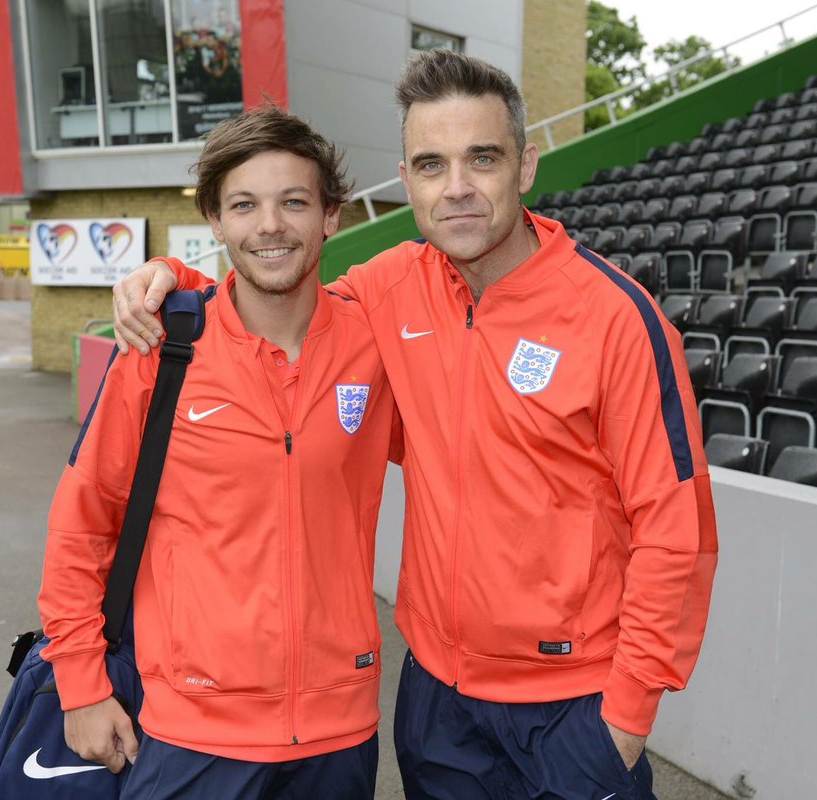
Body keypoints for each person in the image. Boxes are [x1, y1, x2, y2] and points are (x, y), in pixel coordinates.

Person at [113, 49, 718, 800]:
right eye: (432, 165)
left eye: (482, 159)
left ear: (525, 166)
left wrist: (626, 715)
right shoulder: (391, 286)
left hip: (574, 707)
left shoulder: (615, 318)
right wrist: (174, 281)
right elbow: (277, 289)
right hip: (437, 699)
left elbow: (676, 529)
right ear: (407, 182)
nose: (457, 189)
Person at [38, 106, 399, 800]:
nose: (270, 225)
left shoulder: (374, 343)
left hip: (339, 729)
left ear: (330, 217)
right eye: (244, 205)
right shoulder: (162, 350)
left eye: (294, 202)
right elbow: (81, 524)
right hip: (190, 733)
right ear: (216, 221)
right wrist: (80, 685)